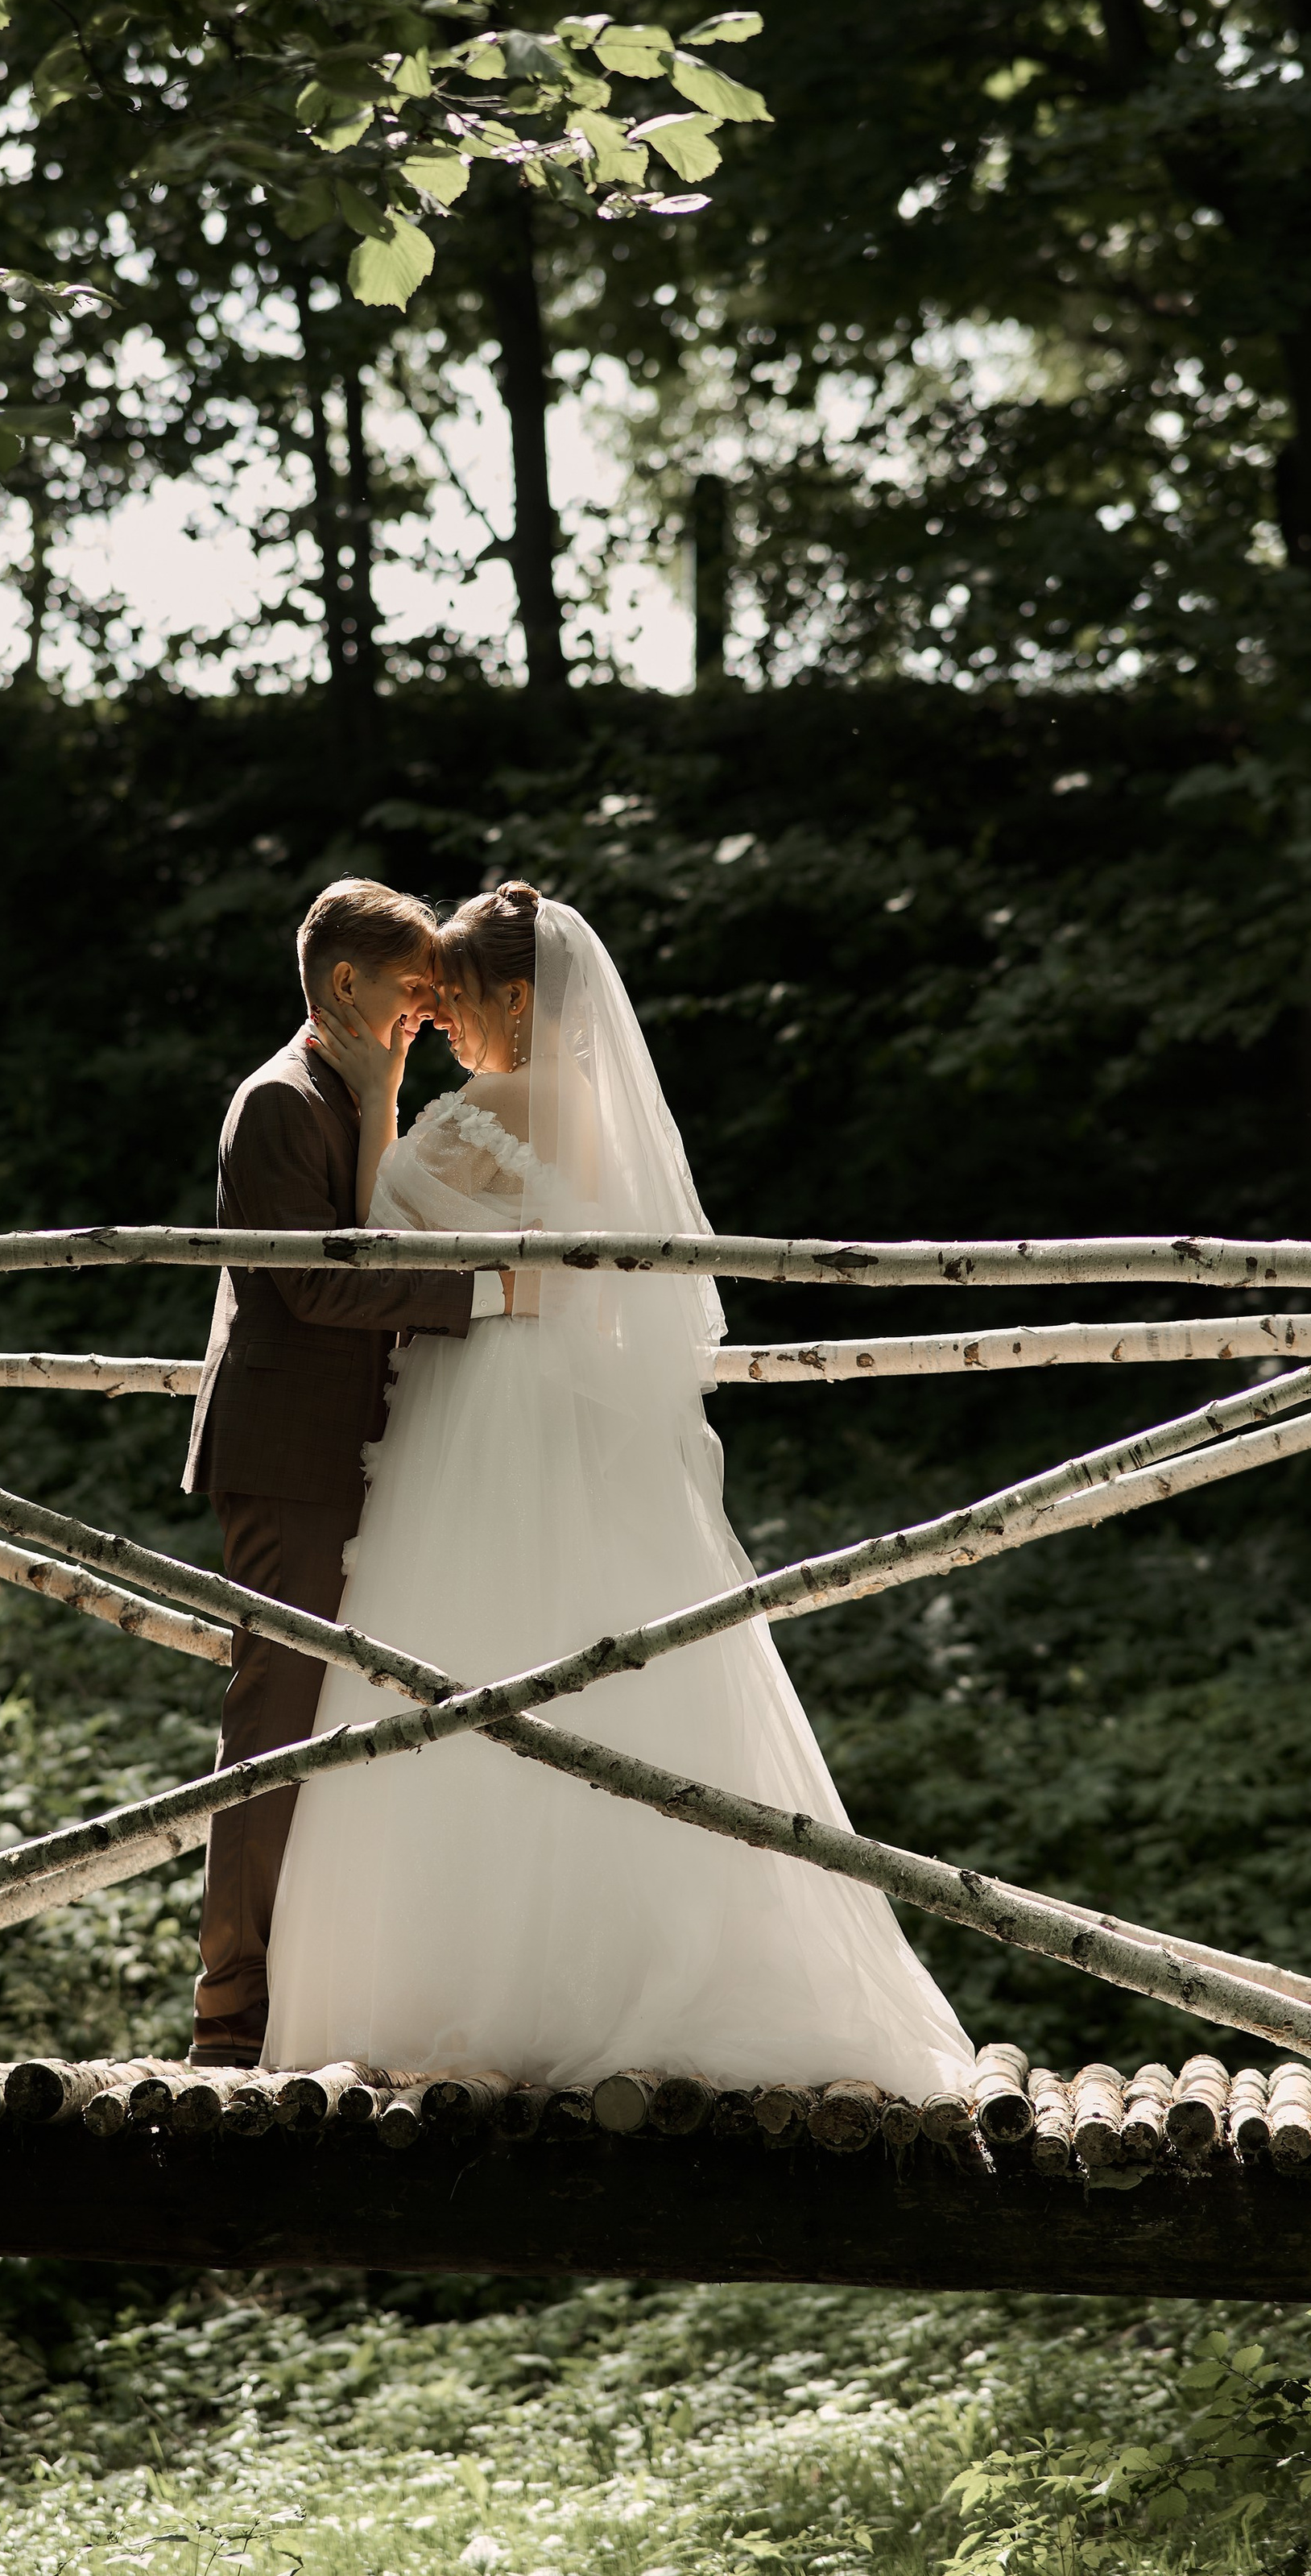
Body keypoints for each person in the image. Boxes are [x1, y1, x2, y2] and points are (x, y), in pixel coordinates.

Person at [263, 880, 974, 2097]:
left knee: (459, 1663)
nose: (440, 1022)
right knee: (600, 1672)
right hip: (577, 1416)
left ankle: (467, 1991)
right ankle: (608, 1964)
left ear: (518, 998)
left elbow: (378, 1229)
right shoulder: (595, 1114)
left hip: (484, 1415)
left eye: (460, 999)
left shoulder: (476, 1114)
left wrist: (381, 1094)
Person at [183, 876, 511, 2067]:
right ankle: (231, 2010)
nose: (429, 1007)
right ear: (343, 985)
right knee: (273, 1723)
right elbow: (314, 1285)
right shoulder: (280, 1102)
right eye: (413, 988)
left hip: (354, 1448)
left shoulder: (355, 1083)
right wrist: (485, 1293)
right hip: (290, 1458)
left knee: (345, 1716)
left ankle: (319, 1984)